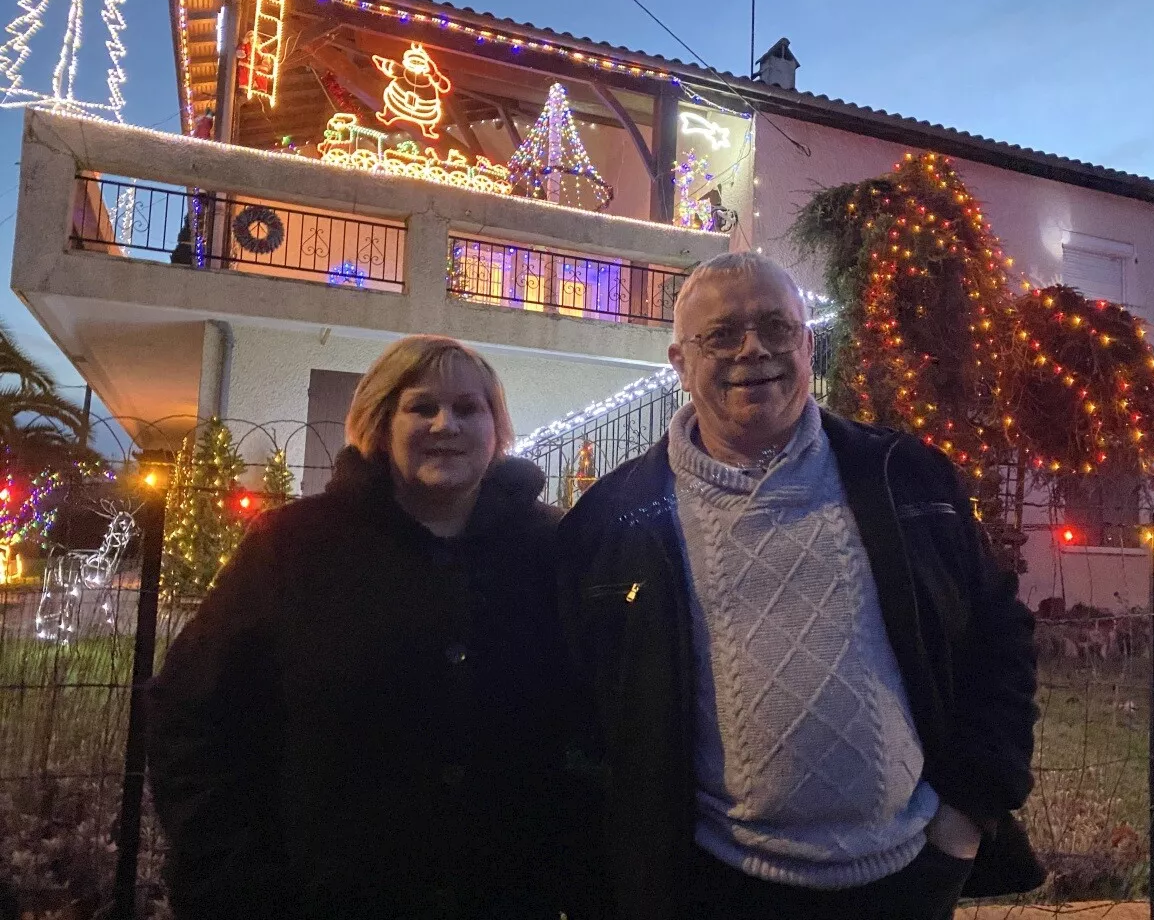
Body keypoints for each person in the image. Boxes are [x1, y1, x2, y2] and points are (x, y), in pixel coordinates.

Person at [558, 252, 1043, 920]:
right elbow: (581, 717)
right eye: (722, 334)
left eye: (776, 328)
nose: (752, 349)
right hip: (712, 888)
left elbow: (1000, 640)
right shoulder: (615, 518)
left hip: (904, 880)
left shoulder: (907, 478)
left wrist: (965, 819)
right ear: (679, 362)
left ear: (807, 344)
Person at [148, 335, 580, 920]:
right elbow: (190, 712)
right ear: (380, 422)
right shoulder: (295, 546)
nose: (445, 424)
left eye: (469, 408)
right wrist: (230, 876)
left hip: (508, 896)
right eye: (421, 406)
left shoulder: (551, 550)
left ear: (496, 429)